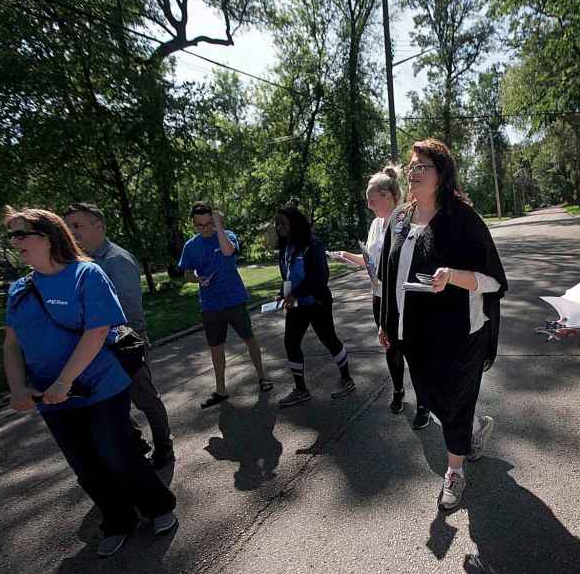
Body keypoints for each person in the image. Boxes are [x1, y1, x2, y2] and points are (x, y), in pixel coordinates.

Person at [2, 207, 177, 558]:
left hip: (100, 387)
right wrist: (18, 386)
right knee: (84, 463)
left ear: (48, 236)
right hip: (51, 398)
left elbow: (98, 330)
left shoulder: (86, 274)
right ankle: (117, 520)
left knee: (116, 451)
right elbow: (11, 343)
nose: (15, 242)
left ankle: (158, 507)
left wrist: (65, 380)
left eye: (22, 234)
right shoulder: (19, 289)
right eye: (12, 235)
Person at [378, 138, 508, 511]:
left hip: (460, 332)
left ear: (442, 173)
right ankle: (473, 429)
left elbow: (493, 280)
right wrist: (387, 321)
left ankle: (455, 471)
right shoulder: (400, 219)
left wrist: (452, 276)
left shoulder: (461, 219)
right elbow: (389, 276)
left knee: (454, 400)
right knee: (432, 399)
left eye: (423, 167)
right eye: (411, 166)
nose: (414, 173)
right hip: (413, 331)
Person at [63, 203, 175, 469]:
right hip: (97, 344)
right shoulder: (80, 263)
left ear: (98, 226)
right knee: (112, 404)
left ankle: (164, 446)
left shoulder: (116, 260)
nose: (71, 232)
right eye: (68, 227)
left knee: (145, 399)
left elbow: (128, 313)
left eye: (77, 226)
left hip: (125, 340)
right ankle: (137, 444)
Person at [330, 167, 425, 422]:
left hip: (405, 297)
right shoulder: (375, 224)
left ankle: (424, 403)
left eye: (372, 200)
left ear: (387, 196)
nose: (369, 206)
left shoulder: (409, 218)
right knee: (390, 347)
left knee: (413, 350)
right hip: (379, 296)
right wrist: (345, 255)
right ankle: (398, 390)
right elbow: (370, 261)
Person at [178, 202, 273, 408]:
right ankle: (221, 390)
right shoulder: (190, 246)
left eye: (208, 224)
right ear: (193, 225)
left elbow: (228, 252)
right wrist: (198, 279)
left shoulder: (227, 235)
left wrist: (218, 227)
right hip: (210, 305)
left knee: (249, 339)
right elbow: (186, 273)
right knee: (215, 348)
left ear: (215, 220)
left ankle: (262, 377)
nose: (204, 229)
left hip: (234, 299)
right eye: (199, 226)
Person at [275, 202, 355, 407]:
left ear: (295, 224)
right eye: (278, 224)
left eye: (283, 224)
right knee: (290, 343)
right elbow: (287, 276)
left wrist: (295, 293)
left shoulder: (313, 245)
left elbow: (320, 277)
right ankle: (300, 390)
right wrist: (283, 294)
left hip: (317, 302)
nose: (279, 228)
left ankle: (347, 380)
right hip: (296, 305)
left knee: (329, 339)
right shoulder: (285, 248)